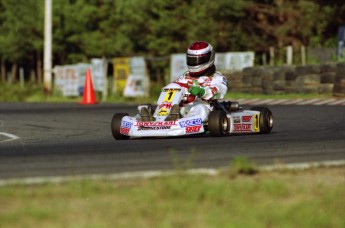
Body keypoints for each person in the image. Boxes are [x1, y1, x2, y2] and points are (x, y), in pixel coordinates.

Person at [140, 41, 228, 122]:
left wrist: (201, 91)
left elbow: (219, 91)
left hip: (204, 107)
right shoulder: (185, 76)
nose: (194, 62)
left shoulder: (217, 77)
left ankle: (179, 120)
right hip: (180, 108)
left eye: (197, 59)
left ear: (209, 58)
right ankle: (158, 117)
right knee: (172, 88)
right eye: (192, 59)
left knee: (200, 109)